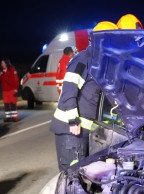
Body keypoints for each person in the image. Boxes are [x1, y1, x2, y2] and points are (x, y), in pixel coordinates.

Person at [50, 21, 119, 171]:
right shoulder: (83, 59)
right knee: (72, 178)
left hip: (85, 131)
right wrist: (73, 120)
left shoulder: (98, 63)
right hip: (71, 129)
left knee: (83, 175)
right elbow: (69, 89)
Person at [0, 57, 19, 122]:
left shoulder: (12, 69)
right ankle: (8, 117)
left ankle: (15, 117)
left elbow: (16, 80)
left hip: (12, 89)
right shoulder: (1, 71)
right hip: (5, 91)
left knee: (13, 104)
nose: (1, 64)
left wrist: (16, 88)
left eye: (2, 63)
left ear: (6, 63)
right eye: (1, 63)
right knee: (6, 104)